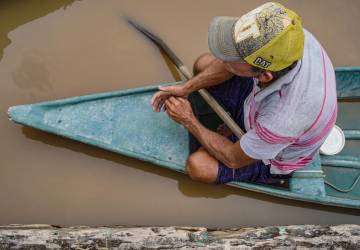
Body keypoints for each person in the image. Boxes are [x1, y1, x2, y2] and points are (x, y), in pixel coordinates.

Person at [151, 2, 337, 185]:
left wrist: (188, 120)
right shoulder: (288, 37)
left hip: (274, 153)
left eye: (233, 58)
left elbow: (233, 159)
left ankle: (268, 172)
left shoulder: (282, 121)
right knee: (203, 63)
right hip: (262, 106)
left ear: (264, 75)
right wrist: (187, 88)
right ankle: (238, 123)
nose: (224, 60)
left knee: (198, 167)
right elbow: (227, 61)